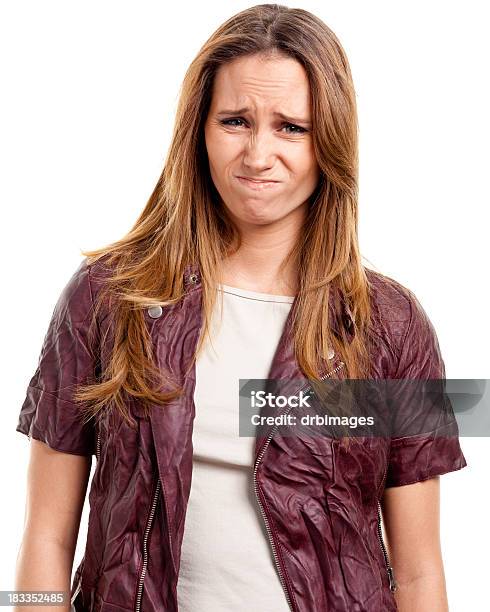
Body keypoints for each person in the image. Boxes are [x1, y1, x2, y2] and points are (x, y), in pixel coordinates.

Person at [14, 4, 467, 612]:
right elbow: (44, 536)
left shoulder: (388, 327)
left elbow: (418, 575)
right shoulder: (107, 299)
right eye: (235, 121)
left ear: (328, 140)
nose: (258, 155)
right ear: (198, 130)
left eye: (291, 127)